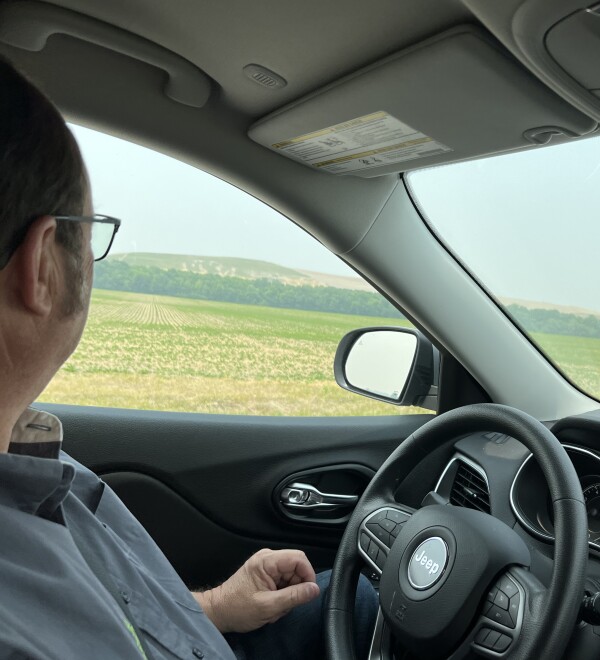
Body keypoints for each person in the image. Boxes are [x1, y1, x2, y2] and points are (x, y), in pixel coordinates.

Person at [0, 57, 378, 658]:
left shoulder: (22, 463)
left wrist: (217, 608)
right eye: (88, 232)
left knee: (366, 604)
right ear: (43, 264)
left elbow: (94, 621)